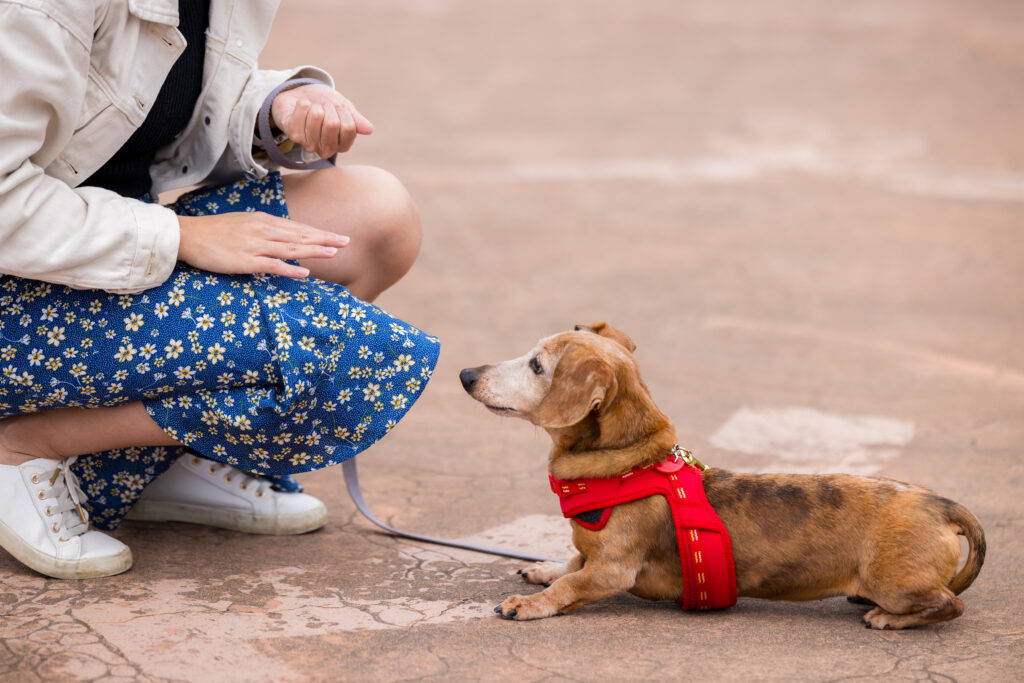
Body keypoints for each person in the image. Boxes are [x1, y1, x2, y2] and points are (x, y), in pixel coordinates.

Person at [0, 0, 440, 579]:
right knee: (338, 347)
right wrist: (181, 234)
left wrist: (273, 108)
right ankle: (24, 447)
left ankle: (154, 458)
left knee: (376, 219)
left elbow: (154, 99)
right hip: (19, 290)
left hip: (95, 251)